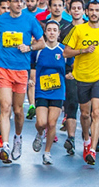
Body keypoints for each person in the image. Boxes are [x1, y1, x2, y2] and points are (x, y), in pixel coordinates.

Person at [0, 0, 46, 164]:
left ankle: (17, 138)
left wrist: (29, 48)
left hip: (21, 69)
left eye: (22, 1)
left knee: (18, 111)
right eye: (16, 1)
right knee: (5, 107)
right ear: (9, 3)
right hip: (4, 67)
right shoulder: (1, 20)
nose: (20, 4)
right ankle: (5, 145)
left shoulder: (30, 20)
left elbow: (42, 42)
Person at [63, 0, 99, 165]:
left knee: (96, 112)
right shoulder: (78, 29)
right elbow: (66, 52)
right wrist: (83, 50)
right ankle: (86, 140)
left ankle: (92, 149)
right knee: (85, 114)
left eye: (97, 10)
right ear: (86, 12)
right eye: (91, 10)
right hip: (81, 77)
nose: (94, 13)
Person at [31, 21, 72, 165]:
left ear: (59, 33)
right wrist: (31, 80)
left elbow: (70, 66)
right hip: (42, 90)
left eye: (55, 30)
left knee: (52, 123)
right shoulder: (39, 50)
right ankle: (39, 133)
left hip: (58, 90)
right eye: (49, 30)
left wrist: (70, 74)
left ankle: (47, 153)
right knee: (41, 122)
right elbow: (32, 66)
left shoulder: (63, 50)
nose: (52, 32)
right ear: (45, 32)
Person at [60, 0, 86, 155]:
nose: (76, 10)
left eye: (79, 8)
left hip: (88, 72)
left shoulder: (91, 28)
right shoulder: (64, 29)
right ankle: (71, 138)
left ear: (84, 11)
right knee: (71, 105)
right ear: (69, 11)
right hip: (70, 72)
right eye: (73, 8)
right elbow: (60, 52)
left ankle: (87, 138)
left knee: (86, 109)